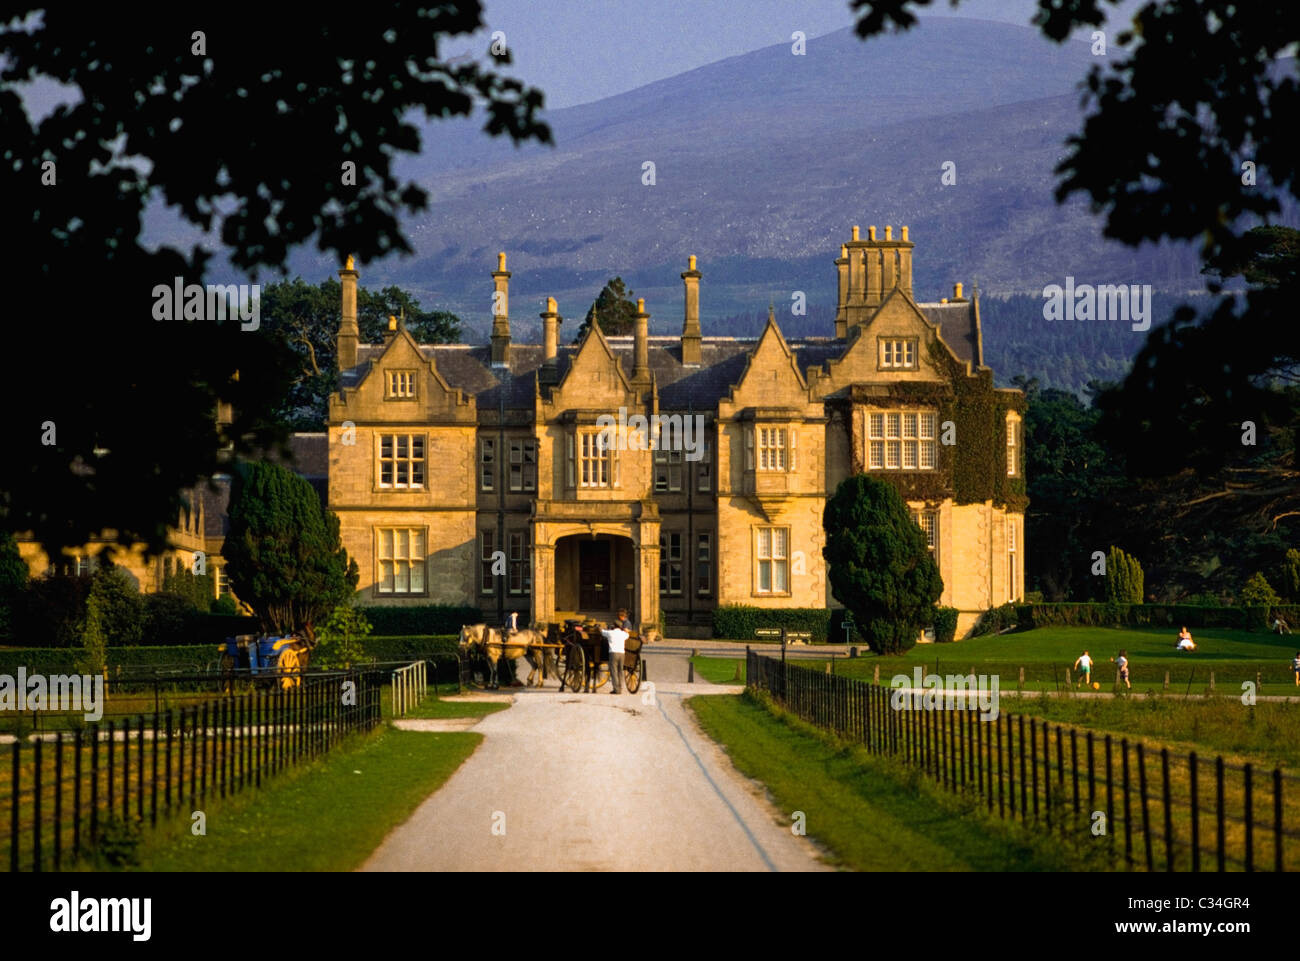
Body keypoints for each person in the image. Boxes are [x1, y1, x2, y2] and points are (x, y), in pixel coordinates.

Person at [601, 610, 631, 694]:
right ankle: (620, 688)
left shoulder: (610, 633)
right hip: (622, 654)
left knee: (613, 671)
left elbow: (602, 632)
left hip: (613, 653)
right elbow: (628, 635)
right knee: (620, 671)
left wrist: (599, 627)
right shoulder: (623, 634)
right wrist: (626, 631)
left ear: (614, 626)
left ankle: (616, 689)